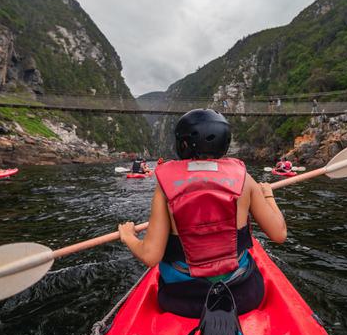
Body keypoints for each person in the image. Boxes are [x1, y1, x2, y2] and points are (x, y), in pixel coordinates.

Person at [118, 109, 287, 319]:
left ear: (184, 144)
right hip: (243, 294)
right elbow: (279, 234)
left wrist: (128, 237)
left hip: (182, 300)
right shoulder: (246, 181)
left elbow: (150, 256)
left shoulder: (165, 187)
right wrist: (268, 195)